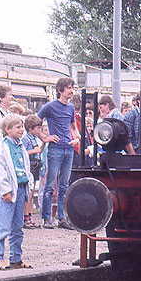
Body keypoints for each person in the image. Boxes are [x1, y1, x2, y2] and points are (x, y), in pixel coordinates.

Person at [0, 114, 33, 270]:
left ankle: (16, 258)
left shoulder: (20, 146)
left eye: (22, 127)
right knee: (2, 226)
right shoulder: (0, 148)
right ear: (7, 130)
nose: (21, 130)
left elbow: (25, 167)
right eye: (18, 127)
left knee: (17, 227)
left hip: (20, 189)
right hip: (7, 192)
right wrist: (5, 190)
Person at [37, 77, 79, 229]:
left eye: (72, 88)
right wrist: (45, 137)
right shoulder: (50, 106)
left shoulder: (71, 108)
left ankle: (62, 218)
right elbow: (34, 122)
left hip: (68, 148)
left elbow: (74, 128)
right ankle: (47, 218)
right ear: (60, 90)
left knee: (64, 185)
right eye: (69, 88)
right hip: (55, 149)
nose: (72, 91)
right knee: (50, 185)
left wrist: (76, 140)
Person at [21, 114, 45, 228]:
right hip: (30, 166)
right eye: (37, 128)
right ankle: (25, 216)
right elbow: (23, 153)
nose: (39, 131)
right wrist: (34, 151)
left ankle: (29, 215)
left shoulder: (35, 139)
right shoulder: (26, 139)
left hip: (35, 167)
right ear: (30, 128)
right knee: (28, 192)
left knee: (31, 193)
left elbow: (39, 150)